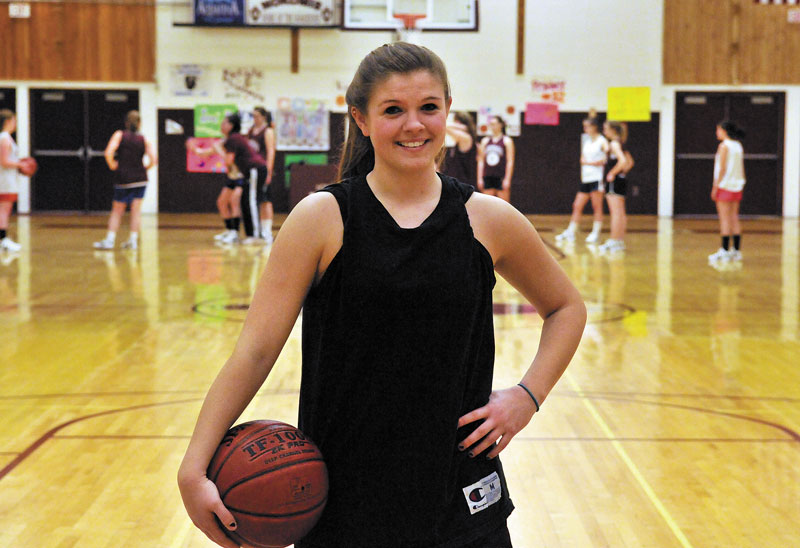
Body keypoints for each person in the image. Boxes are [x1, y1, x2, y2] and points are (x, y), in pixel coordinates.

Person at [177, 42, 586, 548]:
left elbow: (567, 307)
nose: (414, 125)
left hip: (460, 496)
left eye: (428, 108)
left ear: (447, 113)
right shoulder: (321, 219)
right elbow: (257, 351)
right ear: (362, 120)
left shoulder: (488, 219)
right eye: (393, 110)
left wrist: (527, 396)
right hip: (346, 496)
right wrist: (193, 467)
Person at [93, 111, 157, 250]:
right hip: (140, 179)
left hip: (123, 177)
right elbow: (154, 159)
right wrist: (146, 167)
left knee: (117, 211)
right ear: (139, 124)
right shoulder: (143, 139)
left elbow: (108, 152)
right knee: (136, 211)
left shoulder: (119, 135)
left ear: (126, 123)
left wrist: (112, 165)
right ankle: (133, 241)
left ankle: (110, 240)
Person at [556, 117, 608, 244]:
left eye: (587, 126)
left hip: (597, 178)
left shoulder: (602, 141)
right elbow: (582, 158)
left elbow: (606, 159)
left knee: (597, 206)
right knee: (577, 205)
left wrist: (592, 162)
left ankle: (596, 233)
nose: (585, 129)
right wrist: (588, 161)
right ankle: (571, 231)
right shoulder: (587, 141)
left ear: (594, 127)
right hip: (586, 178)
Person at [708, 120, 746, 264]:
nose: (716, 133)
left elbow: (722, 168)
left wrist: (715, 187)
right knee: (734, 218)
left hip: (725, 186)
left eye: (718, 130)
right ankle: (736, 251)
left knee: (724, 219)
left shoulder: (724, 146)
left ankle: (724, 250)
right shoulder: (738, 145)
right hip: (737, 185)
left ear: (724, 131)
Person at [598, 121, 632, 253]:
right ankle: (619, 241)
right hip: (621, 181)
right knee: (621, 212)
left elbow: (623, 161)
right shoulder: (621, 143)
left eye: (606, 129)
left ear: (613, 130)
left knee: (616, 213)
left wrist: (612, 173)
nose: (604, 131)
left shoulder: (614, 144)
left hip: (614, 182)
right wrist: (622, 173)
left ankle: (614, 241)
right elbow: (630, 163)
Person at [247, 107, 276, 244]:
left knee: (266, 200)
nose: (255, 118)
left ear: (264, 117)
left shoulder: (268, 131)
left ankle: (267, 231)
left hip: (263, 169)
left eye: (257, 116)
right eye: (253, 116)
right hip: (253, 171)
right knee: (255, 200)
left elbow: (271, 151)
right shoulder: (251, 131)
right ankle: (258, 231)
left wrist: (269, 171)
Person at [0, 109, 23, 252]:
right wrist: (21, 164)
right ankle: (3, 240)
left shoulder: (5, 137)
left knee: (4, 210)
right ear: (8, 121)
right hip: (4, 180)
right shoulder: (4, 138)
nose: (15, 124)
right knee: (3, 210)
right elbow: (3, 161)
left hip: (7, 179)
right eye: (14, 121)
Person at [477, 115, 515, 202]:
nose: (492, 126)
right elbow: (481, 161)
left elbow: (510, 161)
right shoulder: (485, 141)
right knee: (487, 204)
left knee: (504, 205)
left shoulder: (507, 141)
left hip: (500, 176)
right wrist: (480, 178)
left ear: (500, 125)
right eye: (491, 124)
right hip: (488, 176)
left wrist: (507, 179)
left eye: (494, 124)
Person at [440, 111, 478, 187]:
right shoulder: (460, 141)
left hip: (465, 183)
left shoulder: (466, 138)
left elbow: (445, 126)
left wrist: (461, 127)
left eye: (455, 122)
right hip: (459, 183)